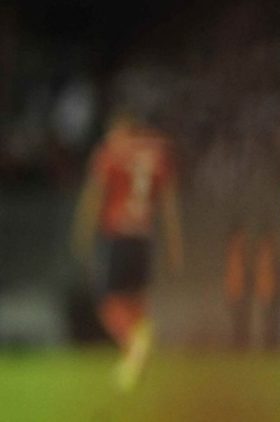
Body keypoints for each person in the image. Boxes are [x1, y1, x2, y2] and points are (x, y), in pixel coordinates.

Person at [71, 112, 183, 391]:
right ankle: (133, 363)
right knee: (136, 301)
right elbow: (169, 204)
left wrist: (82, 233)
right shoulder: (156, 153)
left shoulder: (111, 151)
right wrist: (174, 245)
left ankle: (135, 343)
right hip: (143, 238)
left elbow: (94, 196)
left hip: (118, 235)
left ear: (119, 129)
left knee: (108, 301)